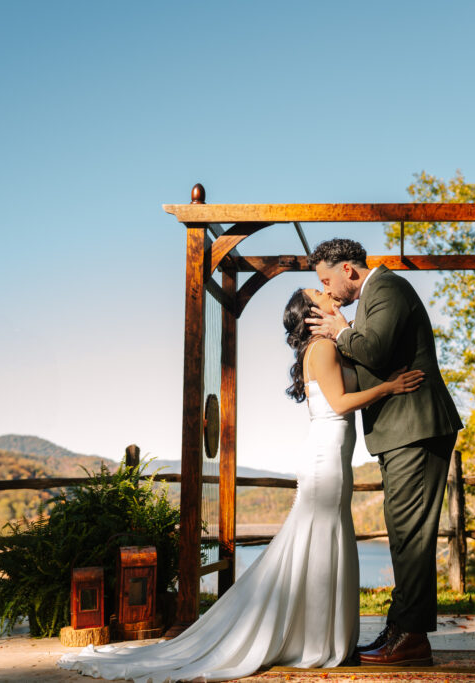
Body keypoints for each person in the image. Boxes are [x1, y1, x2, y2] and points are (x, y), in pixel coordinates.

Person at [57, 288, 424, 683]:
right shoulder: (321, 350)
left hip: (334, 455)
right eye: (319, 292)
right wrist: (391, 387)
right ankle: (317, 640)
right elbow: (338, 404)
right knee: (319, 538)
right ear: (312, 312)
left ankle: (324, 636)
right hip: (325, 457)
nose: (328, 292)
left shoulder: (331, 345)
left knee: (325, 537)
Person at [306, 238, 463, 667]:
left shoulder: (388, 289)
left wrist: (339, 330)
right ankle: (401, 627)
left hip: (416, 427)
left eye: (327, 280)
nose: (328, 290)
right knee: (403, 532)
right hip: (400, 433)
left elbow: (371, 349)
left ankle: (410, 637)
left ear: (349, 271)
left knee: (410, 535)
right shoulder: (372, 298)